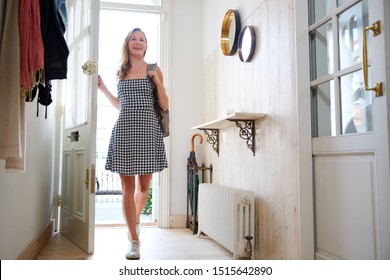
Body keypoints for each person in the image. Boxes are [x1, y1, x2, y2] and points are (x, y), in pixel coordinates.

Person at [97, 28, 168, 260]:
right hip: (125, 130)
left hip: (148, 130)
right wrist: (103, 89)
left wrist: (157, 83)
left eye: (142, 40)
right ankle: (134, 240)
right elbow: (121, 104)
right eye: (133, 39)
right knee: (127, 189)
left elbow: (165, 105)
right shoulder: (121, 71)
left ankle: (134, 222)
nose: (137, 42)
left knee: (143, 188)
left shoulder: (153, 69)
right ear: (127, 44)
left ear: (146, 46)